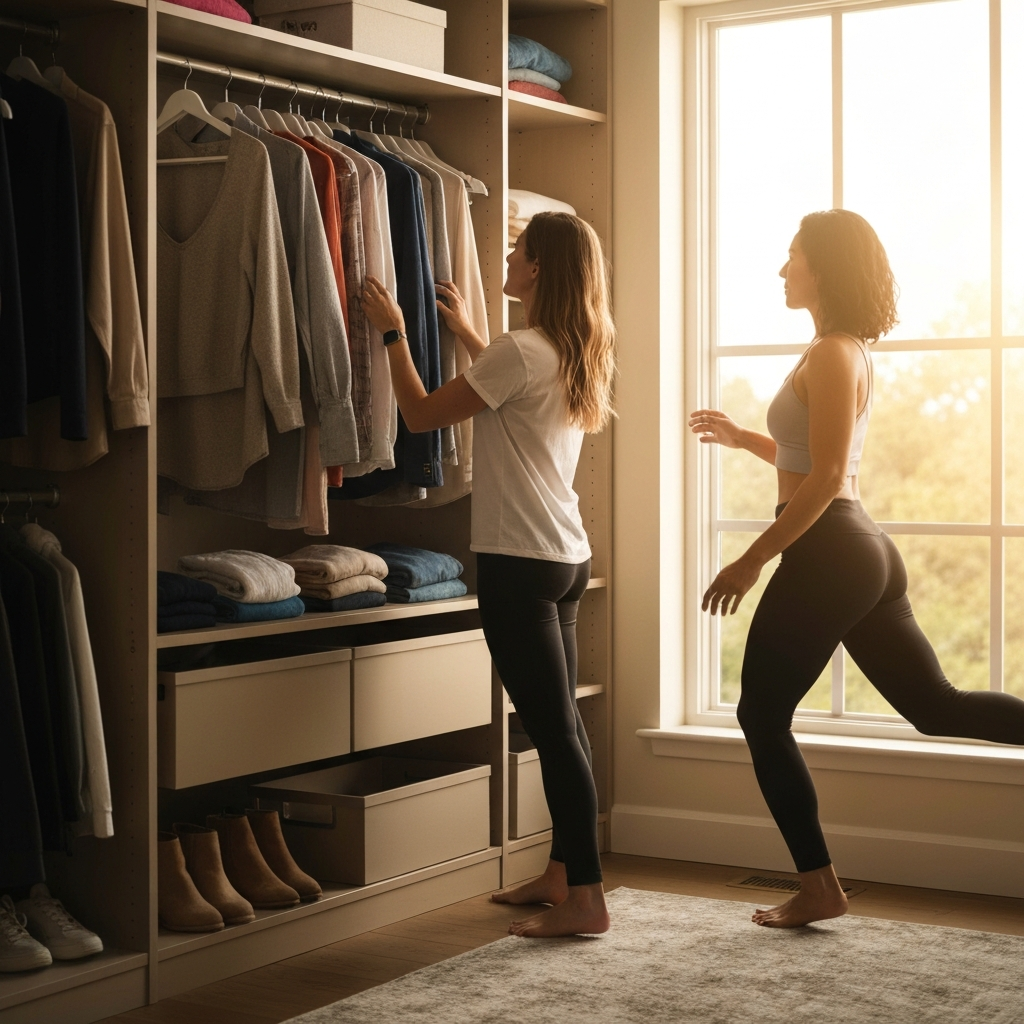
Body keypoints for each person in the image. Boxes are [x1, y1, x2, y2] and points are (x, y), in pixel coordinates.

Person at [690, 209, 1024, 929]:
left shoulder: (836, 353)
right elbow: (808, 456)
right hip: (856, 548)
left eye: (793, 256)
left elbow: (828, 475)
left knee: (760, 713)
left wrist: (751, 559)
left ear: (825, 268)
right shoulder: (833, 349)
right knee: (938, 709)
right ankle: (818, 886)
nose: (783, 269)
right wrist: (743, 436)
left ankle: (818, 886)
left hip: (833, 551)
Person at [360, 211, 616, 938]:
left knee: (552, 730)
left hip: (519, 565)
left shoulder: (519, 349)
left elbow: (420, 414)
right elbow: (513, 398)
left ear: (536, 270)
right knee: (564, 722)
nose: (507, 256)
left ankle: (588, 900)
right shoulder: (574, 346)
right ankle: (566, 872)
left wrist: (393, 331)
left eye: (517, 250)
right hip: (565, 556)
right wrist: (474, 335)